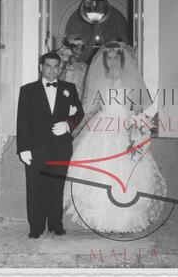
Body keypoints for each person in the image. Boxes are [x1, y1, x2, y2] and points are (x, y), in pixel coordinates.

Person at [64, 41, 167, 233]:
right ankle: (103, 221)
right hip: (101, 128)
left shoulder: (131, 82)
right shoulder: (99, 81)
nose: (112, 61)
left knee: (126, 175)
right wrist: (76, 129)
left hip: (124, 128)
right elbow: (90, 110)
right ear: (105, 61)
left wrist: (137, 130)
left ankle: (123, 222)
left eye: (115, 58)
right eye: (109, 58)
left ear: (121, 59)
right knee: (101, 172)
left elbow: (137, 110)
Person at [16, 51, 84, 238]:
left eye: (56, 67)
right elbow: (22, 121)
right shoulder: (27, 90)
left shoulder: (69, 88)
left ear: (60, 68)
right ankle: (36, 226)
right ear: (41, 67)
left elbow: (79, 113)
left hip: (60, 148)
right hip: (36, 149)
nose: (53, 70)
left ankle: (56, 224)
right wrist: (23, 148)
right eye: (48, 66)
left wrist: (68, 124)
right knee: (35, 187)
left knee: (57, 187)